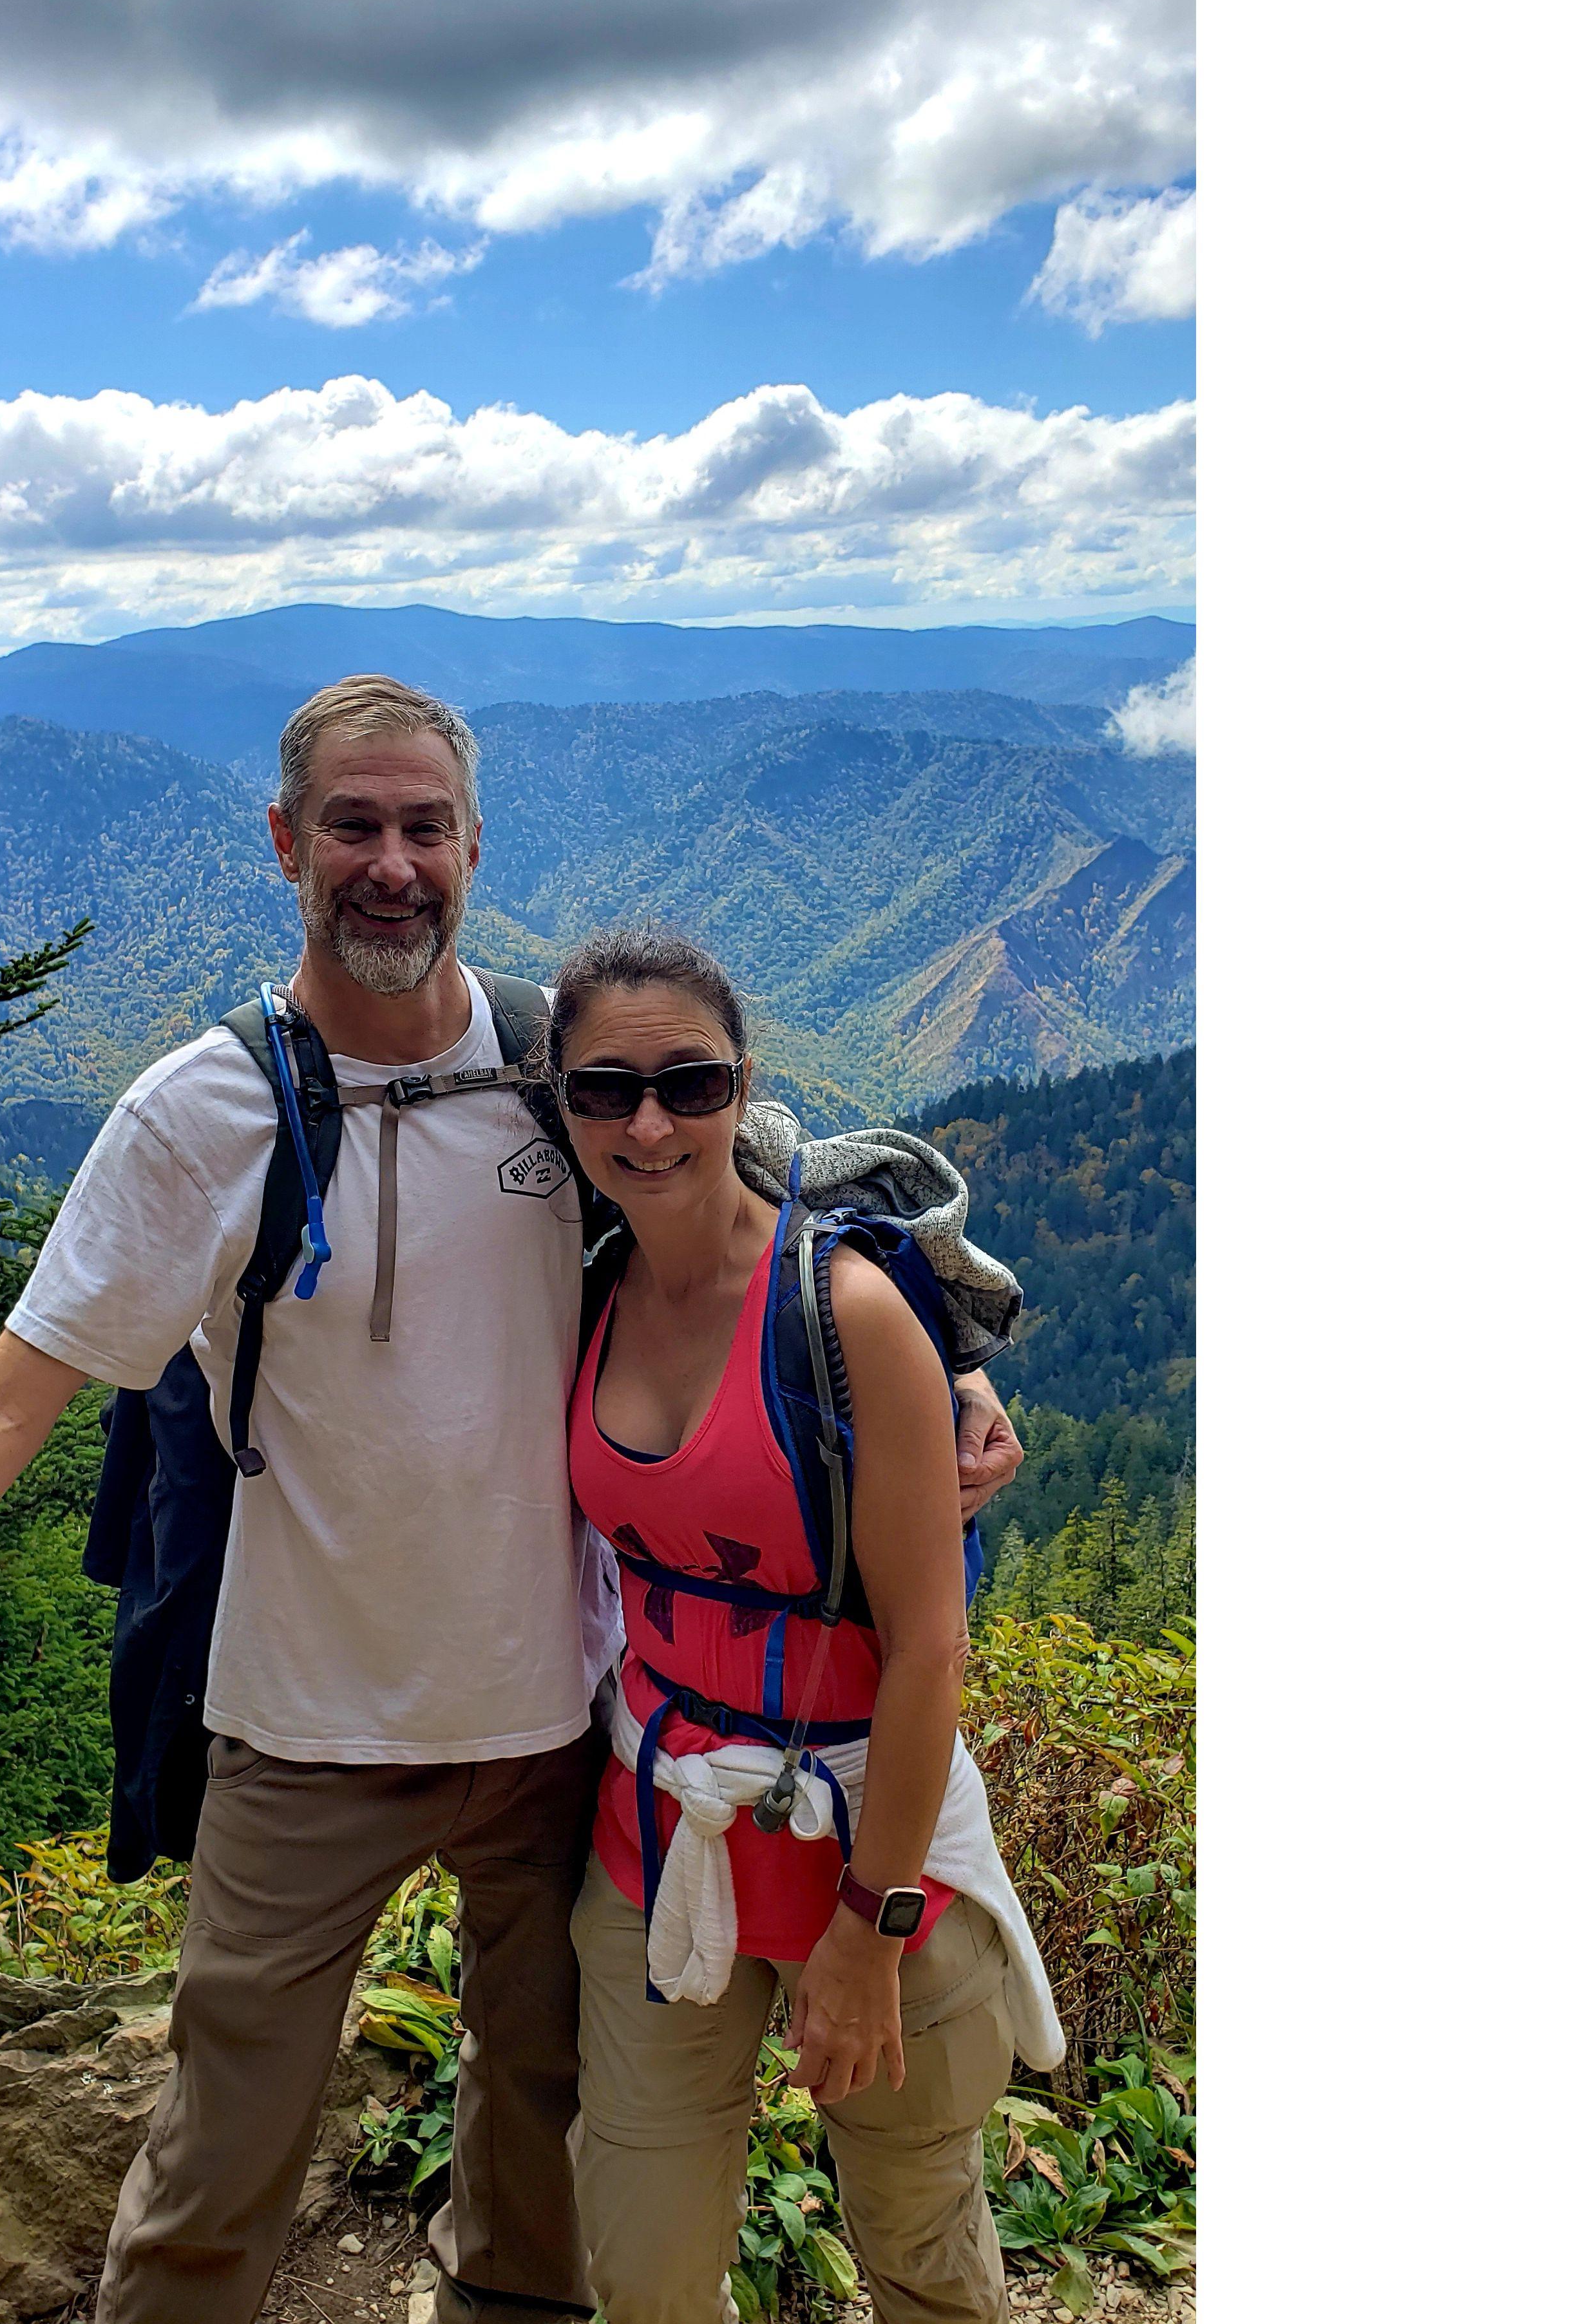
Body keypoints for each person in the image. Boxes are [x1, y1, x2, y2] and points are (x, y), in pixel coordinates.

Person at [0, 675, 1025, 2324]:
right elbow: (7, 1397)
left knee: (539, 2153)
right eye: (354, 828)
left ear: (471, 845)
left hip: (559, 1730)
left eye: (424, 827)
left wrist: (937, 1359)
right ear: (286, 842)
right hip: (307, 1726)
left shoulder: (561, 1070)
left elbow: (786, 1195)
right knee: (221, 2166)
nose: (392, 863)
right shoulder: (204, 1113)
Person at [547, 924, 1061, 2324]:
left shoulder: (843, 1314)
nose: (649, 1122)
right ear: (562, 1102)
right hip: (658, 1840)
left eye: (689, 1084)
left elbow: (928, 1651)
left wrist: (870, 1931)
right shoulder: (581, 1286)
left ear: (742, 1089)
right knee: (644, 2270)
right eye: (604, 1089)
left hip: (866, 1842)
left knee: (920, 2252)